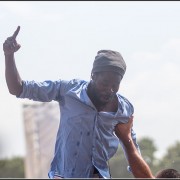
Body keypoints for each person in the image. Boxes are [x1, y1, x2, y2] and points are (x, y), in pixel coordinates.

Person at [3, 26, 153, 179]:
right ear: (93, 75)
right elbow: (18, 89)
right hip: (64, 175)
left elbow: (133, 152)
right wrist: (9, 56)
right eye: (105, 83)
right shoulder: (67, 90)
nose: (110, 90)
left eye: (115, 85)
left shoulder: (123, 110)